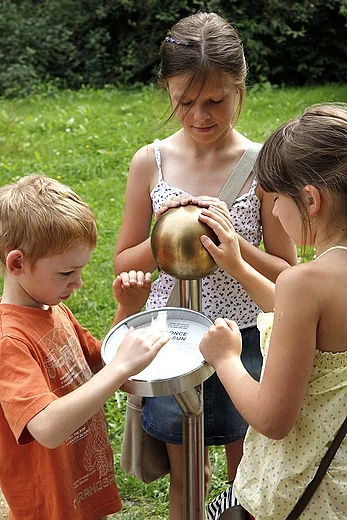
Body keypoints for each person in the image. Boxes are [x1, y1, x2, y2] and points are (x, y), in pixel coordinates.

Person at [113, 11, 297, 518]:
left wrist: (236, 247)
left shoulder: (264, 166)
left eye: (215, 100)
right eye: (184, 102)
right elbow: (124, 260)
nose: (200, 116)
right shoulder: (150, 162)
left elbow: (287, 272)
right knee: (187, 481)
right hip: (173, 340)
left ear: (239, 87)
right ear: (166, 93)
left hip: (247, 339)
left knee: (248, 483)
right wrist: (161, 238)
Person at [199, 103, 347, 519]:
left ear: (310, 200)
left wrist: (225, 358)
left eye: (276, 199)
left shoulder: (305, 283)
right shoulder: (321, 284)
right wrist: (238, 266)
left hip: (298, 487)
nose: (275, 213)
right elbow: (306, 322)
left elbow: (272, 418)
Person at [0, 173, 170, 520]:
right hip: (49, 503)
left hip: (80, 482)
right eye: (66, 273)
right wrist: (123, 366)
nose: (77, 283)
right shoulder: (8, 341)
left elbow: (97, 366)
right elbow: (46, 428)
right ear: (16, 263)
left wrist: (128, 309)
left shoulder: (52, 307)